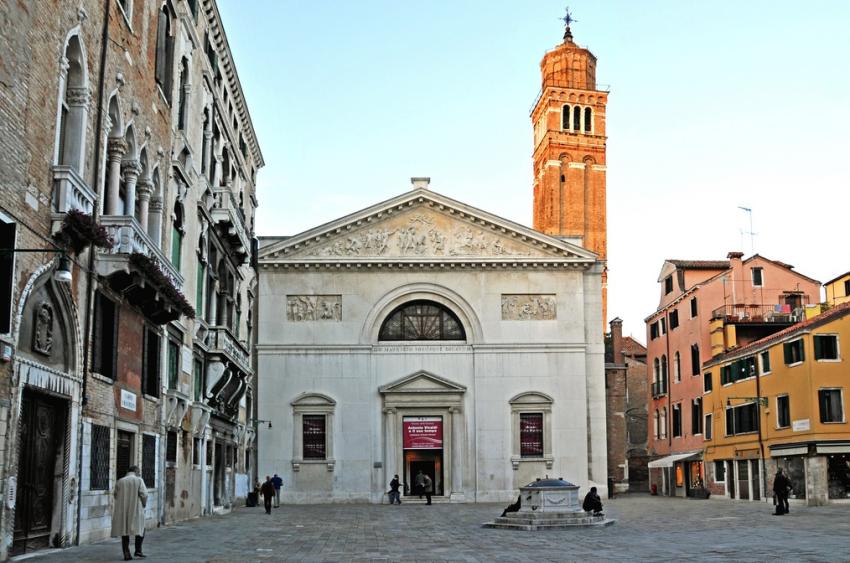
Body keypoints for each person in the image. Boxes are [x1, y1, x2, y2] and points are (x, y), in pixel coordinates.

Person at [111, 465, 147, 561]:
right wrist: (144, 504)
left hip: (123, 509)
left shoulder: (120, 481)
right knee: (141, 528)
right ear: (136, 471)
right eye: (138, 471)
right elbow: (144, 494)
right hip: (136, 508)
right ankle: (138, 550)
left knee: (124, 531)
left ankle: (126, 553)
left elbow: (115, 494)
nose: (139, 473)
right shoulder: (139, 480)